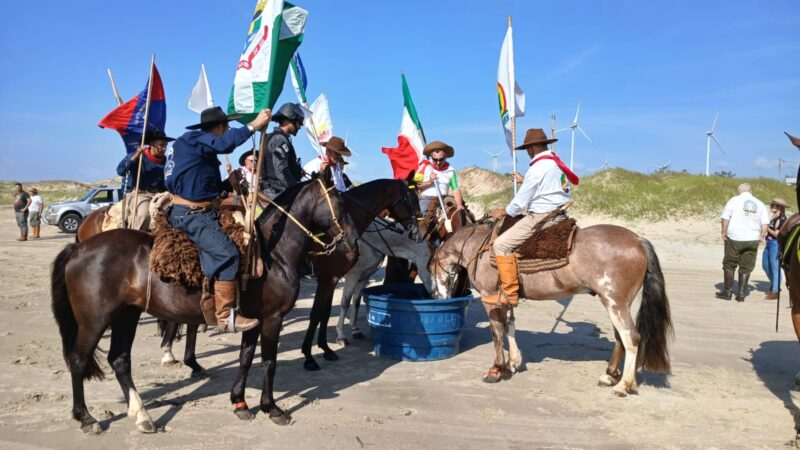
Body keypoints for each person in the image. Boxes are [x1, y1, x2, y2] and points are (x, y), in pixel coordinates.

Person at [164, 106, 271, 333]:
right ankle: (225, 317)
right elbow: (225, 144)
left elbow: (202, 189)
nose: (228, 130)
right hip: (191, 214)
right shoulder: (193, 139)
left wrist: (228, 182)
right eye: (227, 127)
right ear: (220, 127)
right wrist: (254, 125)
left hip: (200, 208)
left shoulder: (195, 147)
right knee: (228, 253)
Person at [489, 129, 578, 306]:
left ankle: (509, 294)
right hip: (561, 212)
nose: (528, 153)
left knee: (501, 244)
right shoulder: (555, 162)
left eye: (528, 149)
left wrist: (505, 211)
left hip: (542, 216)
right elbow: (551, 186)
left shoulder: (537, 168)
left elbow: (521, 201)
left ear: (534, 147)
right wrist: (525, 180)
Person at [715, 183, 769, 302]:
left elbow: (725, 217)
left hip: (735, 237)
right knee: (746, 266)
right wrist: (762, 236)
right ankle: (741, 294)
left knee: (729, 264)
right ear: (750, 191)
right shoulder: (759, 203)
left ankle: (727, 292)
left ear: (740, 191)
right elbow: (764, 223)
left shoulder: (734, 200)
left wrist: (724, 231)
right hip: (752, 238)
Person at [116, 129, 174, 231]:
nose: (164, 148)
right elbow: (120, 171)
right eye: (161, 145)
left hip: (160, 195)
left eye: (165, 145)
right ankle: (134, 238)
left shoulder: (167, 162)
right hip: (140, 194)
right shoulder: (137, 156)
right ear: (152, 145)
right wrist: (135, 156)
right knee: (143, 215)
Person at [261, 103, 305, 198]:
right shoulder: (280, 139)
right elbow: (281, 169)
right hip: (275, 192)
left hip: (276, 189)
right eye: (299, 122)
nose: (300, 126)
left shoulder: (280, 138)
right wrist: (296, 188)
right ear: (290, 119)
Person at [417, 141, 464, 214]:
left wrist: (459, 204)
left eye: (441, 159)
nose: (438, 162)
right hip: (427, 199)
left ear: (446, 157)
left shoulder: (450, 170)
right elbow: (415, 186)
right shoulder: (424, 166)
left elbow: (455, 189)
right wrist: (430, 181)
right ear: (431, 156)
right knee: (424, 221)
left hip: (444, 199)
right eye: (435, 160)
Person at [762, 198, 788, 300]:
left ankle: (775, 291)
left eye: (774, 205)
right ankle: (775, 286)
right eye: (772, 204)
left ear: (780, 207)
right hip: (769, 243)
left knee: (774, 267)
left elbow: (777, 234)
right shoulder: (774, 217)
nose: (772, 206)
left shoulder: (782, 219)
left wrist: (766, 227)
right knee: (765, 266)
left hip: (775, 244)